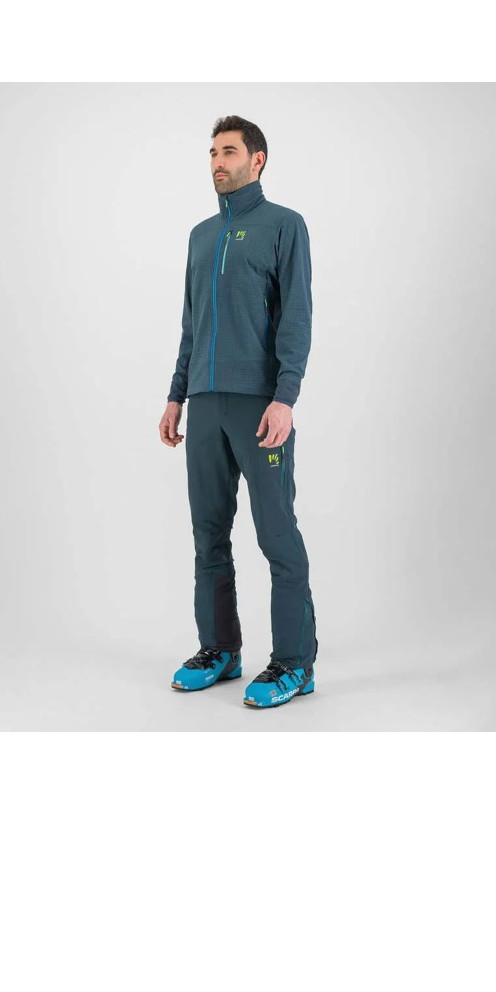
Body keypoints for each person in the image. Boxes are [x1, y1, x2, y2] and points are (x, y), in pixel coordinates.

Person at [158, 115, 320, 709]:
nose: (217, 162)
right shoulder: (201, 236)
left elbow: (297, 316)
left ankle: (295, 663)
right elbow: (191, 323)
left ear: (257, 159)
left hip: (259, 405)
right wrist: (177, 394)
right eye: (212, 153)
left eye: (228, 151)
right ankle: (220, 650)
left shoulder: (284, 225)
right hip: (204, 403)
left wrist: (285, 397)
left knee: (276, 533)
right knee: (209, 533)